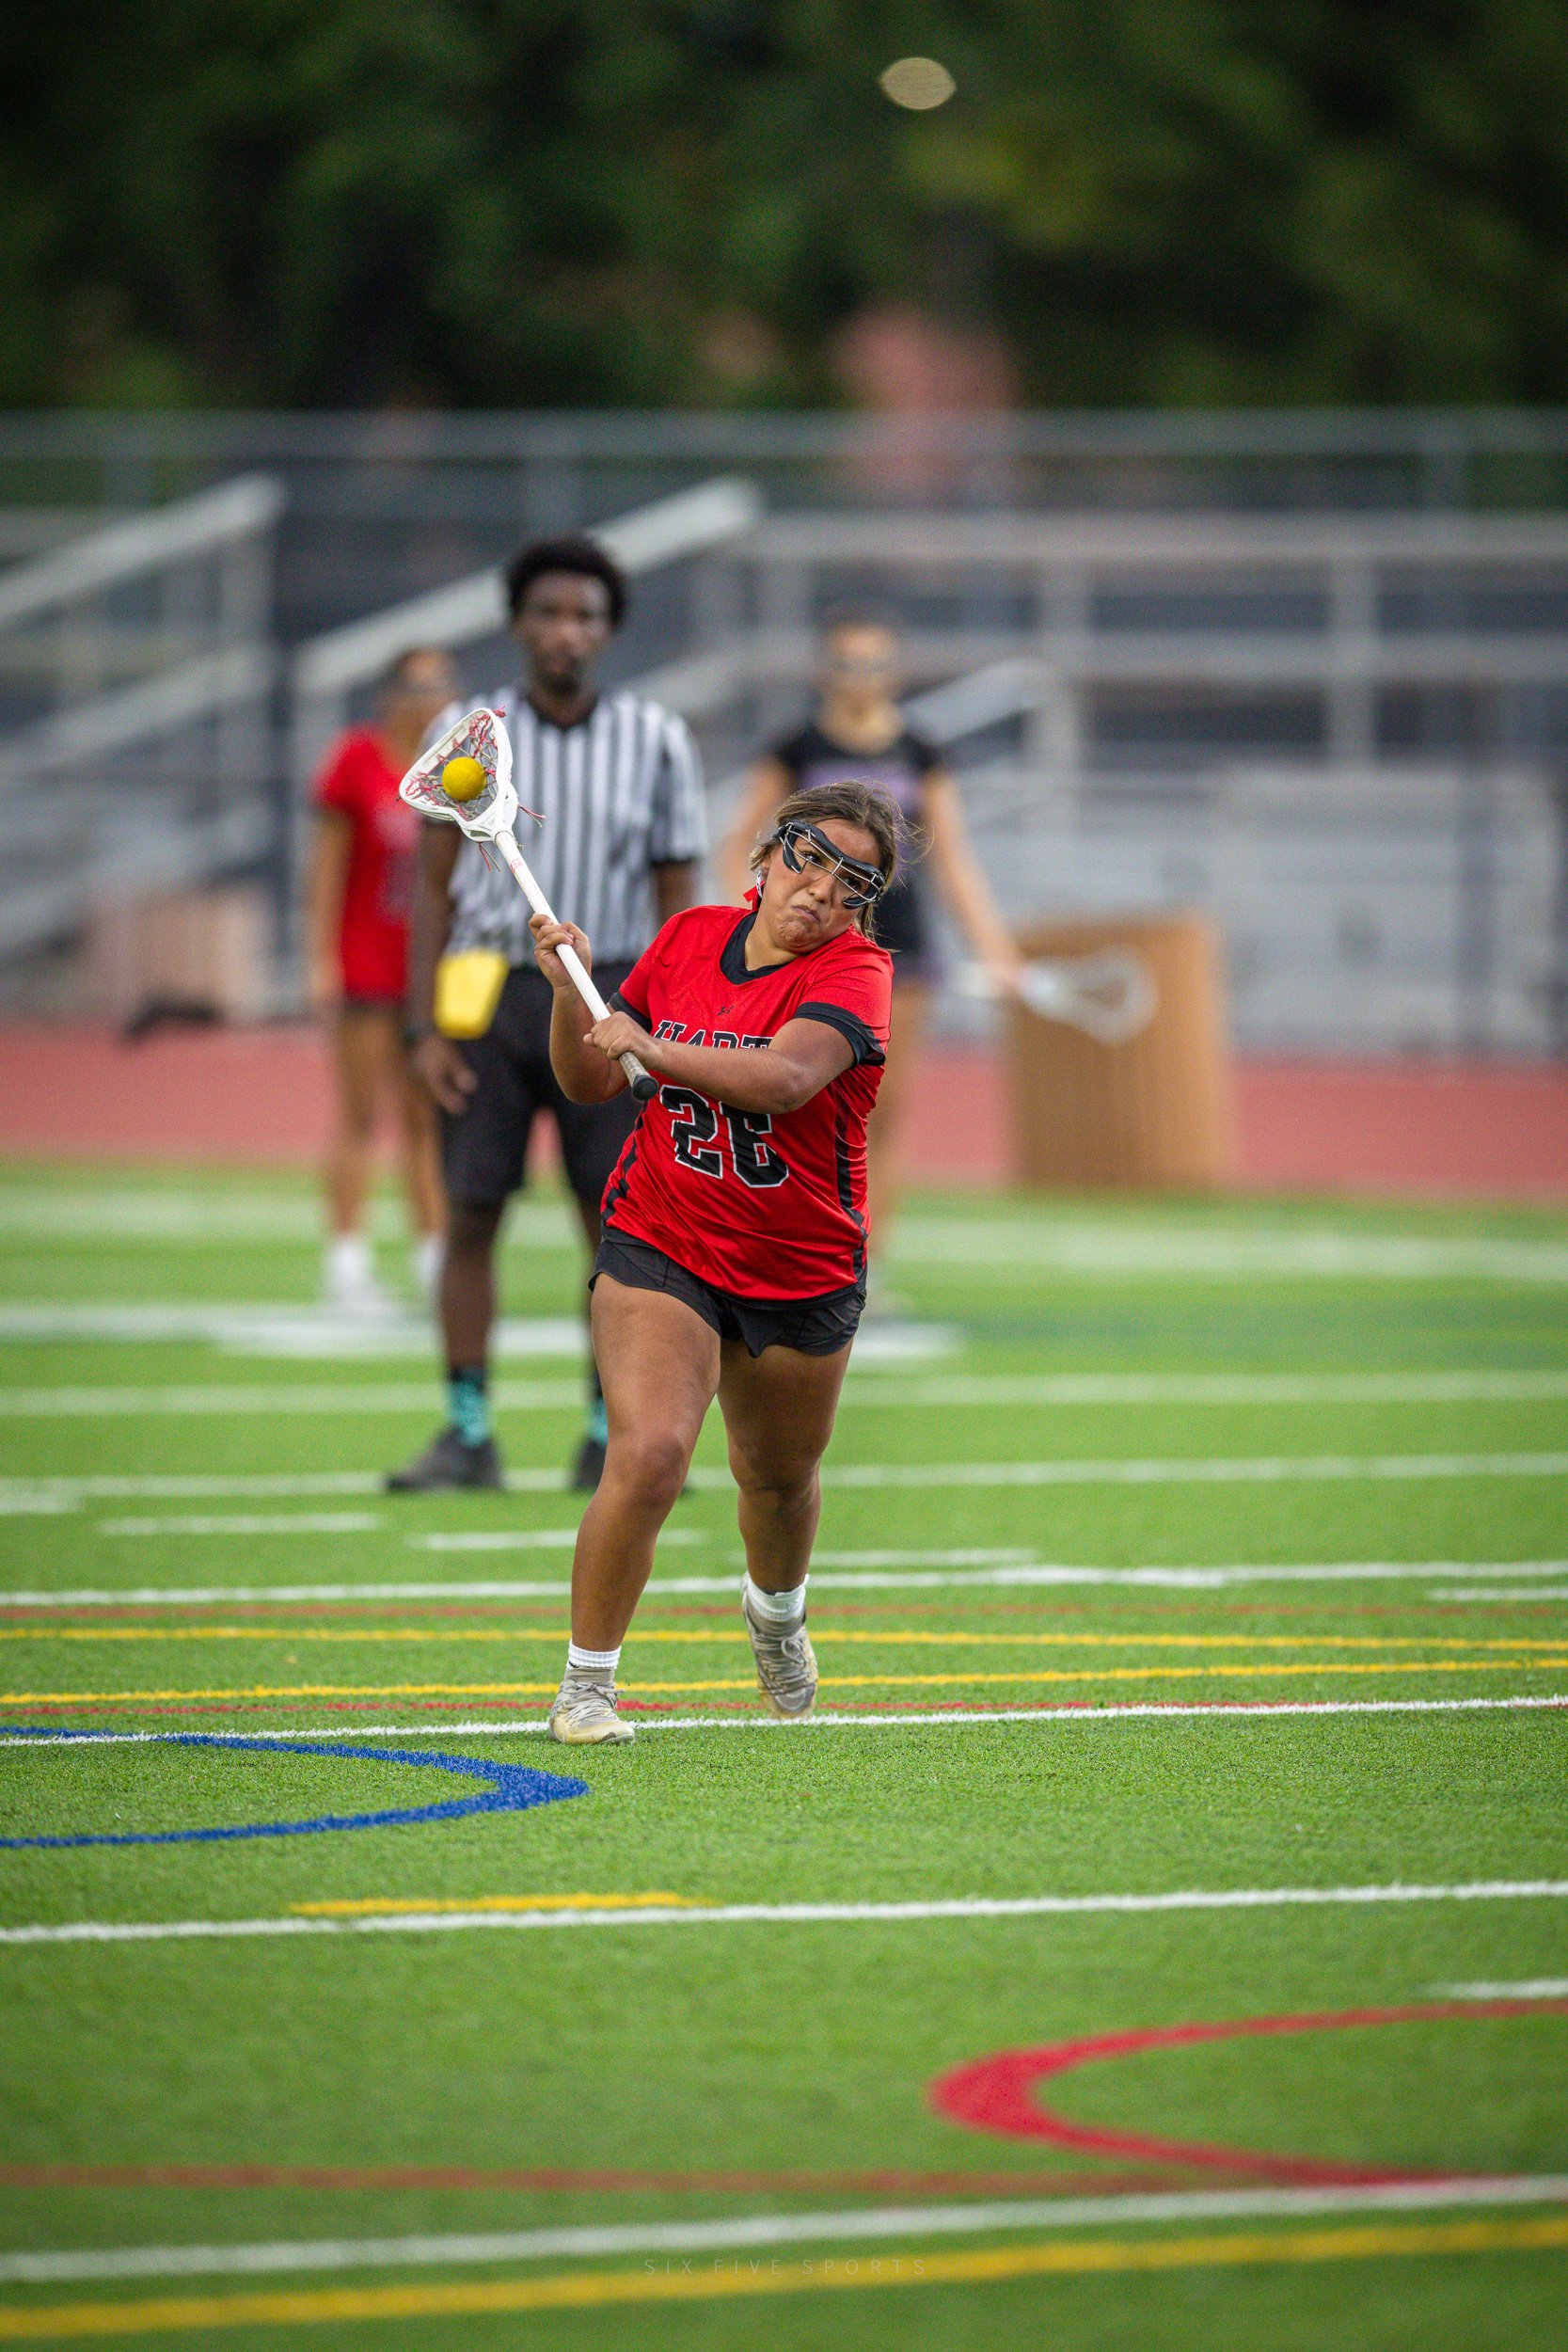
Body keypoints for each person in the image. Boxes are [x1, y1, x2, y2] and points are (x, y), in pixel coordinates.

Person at [531, 779, 899, 1745]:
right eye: (808, 857)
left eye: (852, 882)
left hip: (799, 1263)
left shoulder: (858, 973)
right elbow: (589, 1080)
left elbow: (784, 1079)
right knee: (650, 1452)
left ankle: (776, 1613)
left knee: (776, 1480)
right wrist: (568, 996)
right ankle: (584, 1687)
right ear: (766, 856)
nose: (821, 888)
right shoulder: (689, 935)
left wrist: (652, 1046)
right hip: (665, 1233)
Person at [389, 535, 705, 1495]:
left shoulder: (655, 737)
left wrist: (669, 1025)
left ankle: (607, 1430)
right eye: (549, 613)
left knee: (615, 1225)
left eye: (585, 616)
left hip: (606, 994)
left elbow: (677, 898)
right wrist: (423, 1028)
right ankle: (467, 1431)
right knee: (470, 1210)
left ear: (608, 631)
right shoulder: (467, 732)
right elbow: (432, 887)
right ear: (518, 624)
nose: (567, 631)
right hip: (486, 989)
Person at [719, 606, 1021, 1285]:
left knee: (880, 1109)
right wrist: (758, 920)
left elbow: (953, 859)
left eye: (874, 664)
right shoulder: (795, 747)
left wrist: (997, 951)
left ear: (895, 672)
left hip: (899, 954)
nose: (860, 677)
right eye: (847, 663)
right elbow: (739, 845)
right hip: (807, 953)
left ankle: (862, 1266)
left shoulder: (919, 751)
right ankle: (783, 1248)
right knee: (796, 1103)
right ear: (825, 671)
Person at [306, 644, 456, 1313]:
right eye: (419, 687)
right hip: (366, 962)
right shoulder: (356, 759)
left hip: (428, 971)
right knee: (359, 1115)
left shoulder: (453, 769)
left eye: (441, 687)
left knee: (426, 1118)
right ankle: (346, 1267)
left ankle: (435, 1264)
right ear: (390, 694)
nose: (431, 700)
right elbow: (326, 869)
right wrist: (322, 960)